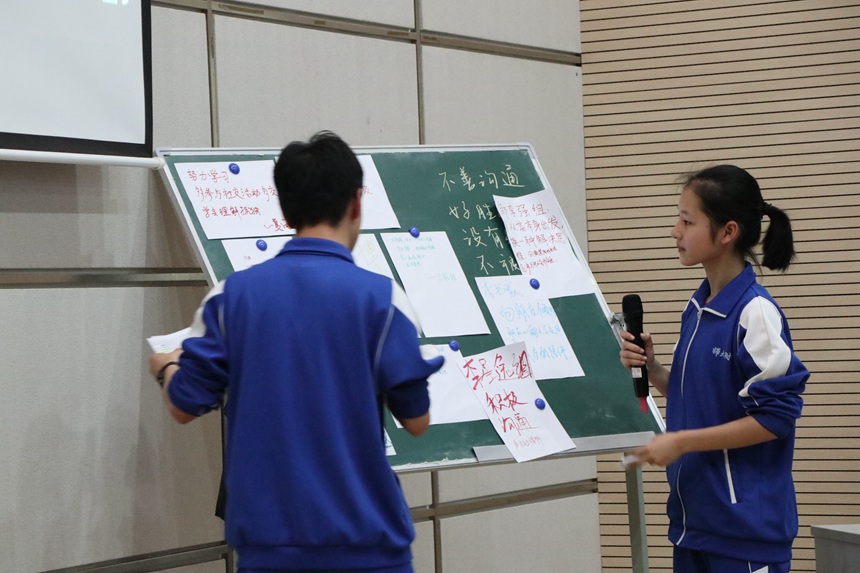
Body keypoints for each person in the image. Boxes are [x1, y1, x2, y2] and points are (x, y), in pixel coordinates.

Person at [149, 131, 444, 573]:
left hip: (269, 551)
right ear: (356, 203)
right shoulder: (384, 300)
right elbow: (416, 421)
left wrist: (166, 366)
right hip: (369, 549)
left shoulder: (230, 298)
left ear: (285, 210)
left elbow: (183, 406)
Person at [619, 165, 809, 573]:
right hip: (695, 526)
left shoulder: (756, 313)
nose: (675, 231)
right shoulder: (698, 307)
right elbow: (701, 396)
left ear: (728, 232)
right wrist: (654, 369)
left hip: (745, 535)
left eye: (687, 222)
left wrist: (682, 442)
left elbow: (775, 419)